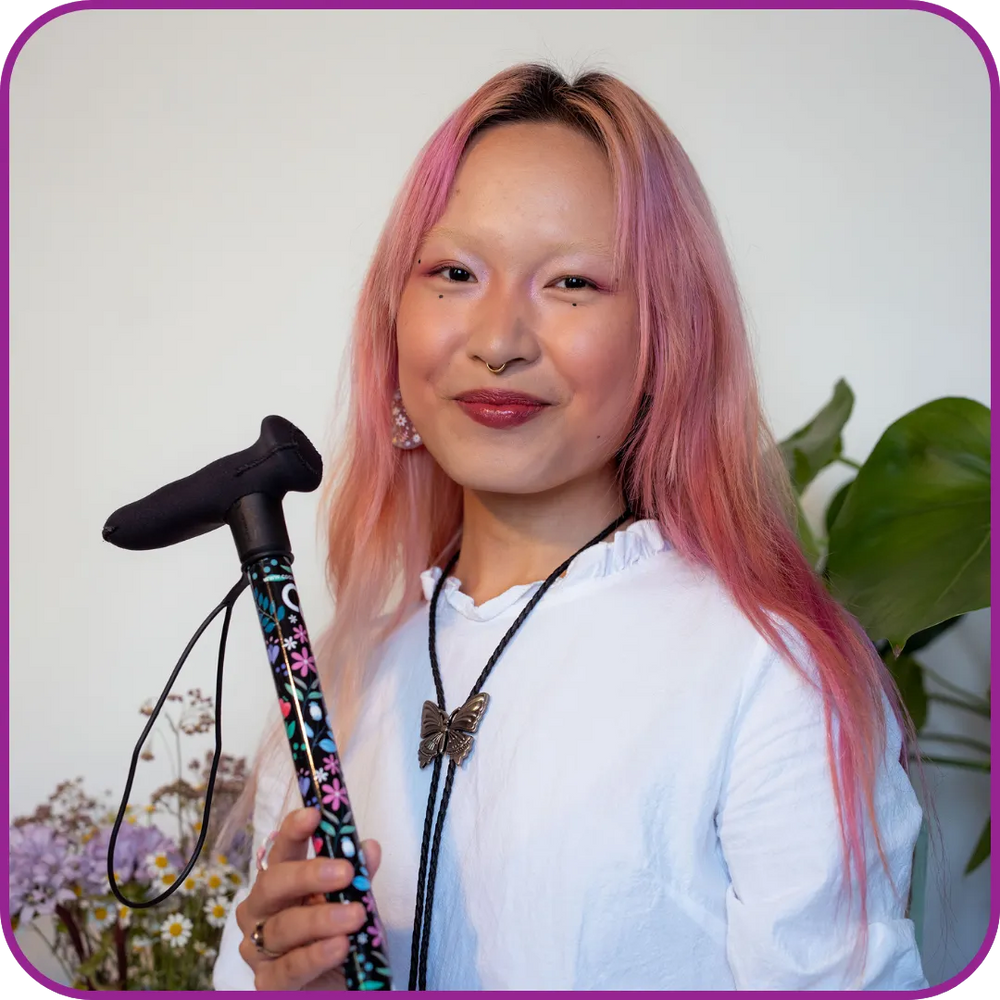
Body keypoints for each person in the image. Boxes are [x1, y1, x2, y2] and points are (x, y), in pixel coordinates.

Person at [211, 62, 928, 991]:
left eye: (574, 282)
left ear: (667, 340)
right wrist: (278, 980)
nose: (500, 337)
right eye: (455, 272)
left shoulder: (770, 674)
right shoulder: (339, 679)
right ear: (396, 322)